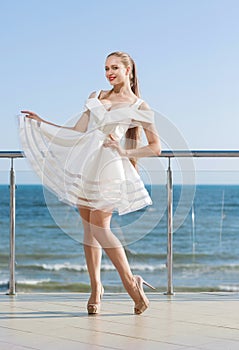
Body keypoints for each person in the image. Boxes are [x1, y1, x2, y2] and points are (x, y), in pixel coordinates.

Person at [20, 51, 161, 315]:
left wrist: (124, 152)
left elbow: (155, 148)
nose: (109, 72)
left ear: (128, 70)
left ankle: (131, 282)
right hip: (86, 164)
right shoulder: (97, 95)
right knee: (89, 229)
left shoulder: (140, 106)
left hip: (109, 167)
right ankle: (96, 288)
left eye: (115, 67)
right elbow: (77, 130)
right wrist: (42, 123)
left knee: (100, 227)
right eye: (106, 68)